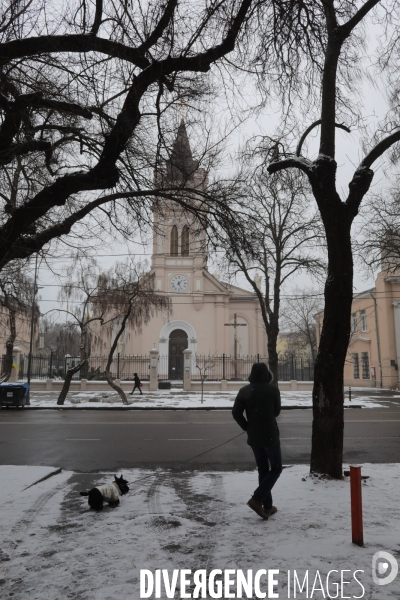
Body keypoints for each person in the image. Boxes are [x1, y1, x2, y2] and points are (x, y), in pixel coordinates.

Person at [232, 362, 282, 520]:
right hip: (270, 435)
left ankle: (267, 507)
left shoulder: (245, 391)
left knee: (263, 470)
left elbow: (235, 413)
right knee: (276, 468)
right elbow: (276, 412)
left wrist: (246, 426)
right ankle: (257, 499)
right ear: (267, 374)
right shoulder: (273, 390)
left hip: (254, 436)